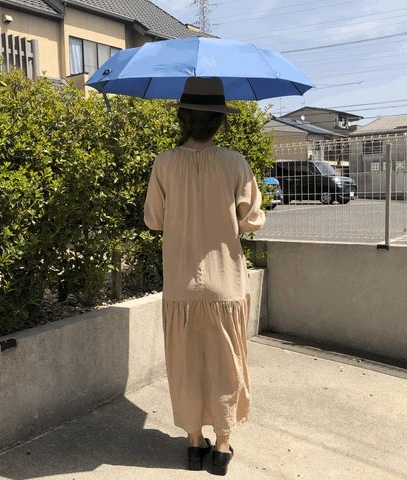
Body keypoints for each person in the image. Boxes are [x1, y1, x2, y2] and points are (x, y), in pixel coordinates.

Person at [143, 77, 266, 476]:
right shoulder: (235, 162)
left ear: (182, 117)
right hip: (225, 282)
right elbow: (252, 221)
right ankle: (223, 446)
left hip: (180, 283)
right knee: (226, 363)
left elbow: (153, 220)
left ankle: (195, 443)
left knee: (186, 363)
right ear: (219, 120)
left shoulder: (164, 163)